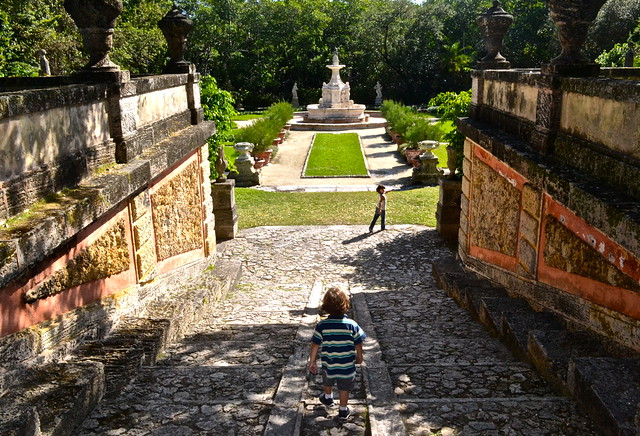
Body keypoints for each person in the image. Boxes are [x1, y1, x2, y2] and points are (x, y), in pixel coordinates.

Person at [308, 287, 366, 420]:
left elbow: (315, 344)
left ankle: (328, 398)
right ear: (345, 304)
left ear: (326, 306)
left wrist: (312, 361)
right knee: (344, 387)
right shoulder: (352, 324)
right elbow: (359, 342)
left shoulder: (322, 325)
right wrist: (360, 356)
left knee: (327, 381)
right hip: (347, 364)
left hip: (329, 363)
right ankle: (343, 410)